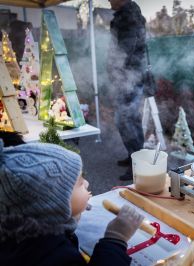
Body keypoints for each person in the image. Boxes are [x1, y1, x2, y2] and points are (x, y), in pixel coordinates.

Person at [0, 140, 144, 265]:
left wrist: (70, 215)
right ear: (54, 204)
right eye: (80, 183)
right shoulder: (54, 254)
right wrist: (116, 239)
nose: (87, 183)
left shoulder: (25, 230)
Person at [107, 0, 147, 180]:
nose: (108, 0)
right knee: (131, 119)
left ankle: (137, 163)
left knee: (125, 119)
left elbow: (125, 50)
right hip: (130, 76)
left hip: (129, 77)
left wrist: (116, 72)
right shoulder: (127, 15)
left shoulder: (128, 17)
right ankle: (134, 156)